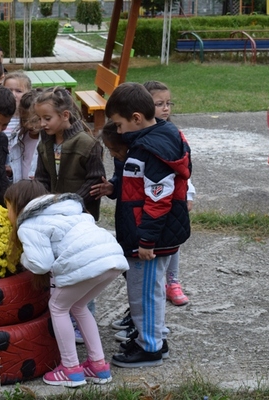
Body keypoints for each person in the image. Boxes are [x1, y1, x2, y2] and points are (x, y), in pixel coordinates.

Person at [4, 180, 129, 387]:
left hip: (87, 263)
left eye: (7, 207)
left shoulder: (29, 224)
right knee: (78, 306)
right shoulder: (67, 209)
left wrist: (23, 258)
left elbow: (40, 264)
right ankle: (98, 366)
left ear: (18, 205)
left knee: (58, 307)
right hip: (112, 258)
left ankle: (70, 369)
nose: (7, 214)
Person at [104, 82, 192, 368]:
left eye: (119, 125)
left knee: (144, 294)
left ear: (137, 119)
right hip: (152, 235)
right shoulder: (156, 138)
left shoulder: (150, 149)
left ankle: (150, 347)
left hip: (151, 238)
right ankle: (151, 338)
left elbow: (159, 199)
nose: (118, 132)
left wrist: (146, 241)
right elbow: (137, 187)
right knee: (145, 291)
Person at [143, 80, 196, 306]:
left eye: (168, 103)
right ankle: (155, 283)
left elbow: (184, 169)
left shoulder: (174, 133)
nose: (166, 108)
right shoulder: (140, 136)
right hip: (152, 200)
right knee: (155, 242)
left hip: (175, 198)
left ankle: (172, 281)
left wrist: (189, 194)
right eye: (159, 104)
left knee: (173, 240)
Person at [34, 87, 105, 221]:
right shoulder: (44, 144)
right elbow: (41, 178)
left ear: (65, 115)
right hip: (53, 213)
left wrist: (72, 203)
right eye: (39, 118)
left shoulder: (87, 144)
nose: (42, 123)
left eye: (47, 118)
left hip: (82, 214)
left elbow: (95, 181)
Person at [7, 87, 41, 182]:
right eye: (25, 120)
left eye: (34, 121)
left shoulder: (48, 141)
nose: (29, 125)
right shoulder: (19, 137)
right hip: (23, 190)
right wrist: (12, 172)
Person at [3, 71, 33, 140]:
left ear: (28, 93)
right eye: (9, 90)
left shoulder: (31, 119)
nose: (13, 95)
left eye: (18, 91)